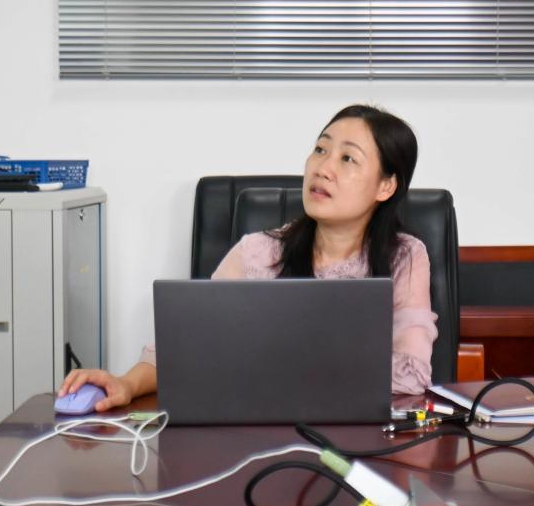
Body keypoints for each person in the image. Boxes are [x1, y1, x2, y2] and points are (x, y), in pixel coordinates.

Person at [59, 104, 438, 411]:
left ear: (386, 185)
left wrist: (273, 364)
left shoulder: (404, 256)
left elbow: (412, 374)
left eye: (348, 159)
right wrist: (126, 384)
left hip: (366, 440)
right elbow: (183, 349)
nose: (323, 168)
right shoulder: (258, 251)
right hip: (257, 434)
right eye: (321, 150)